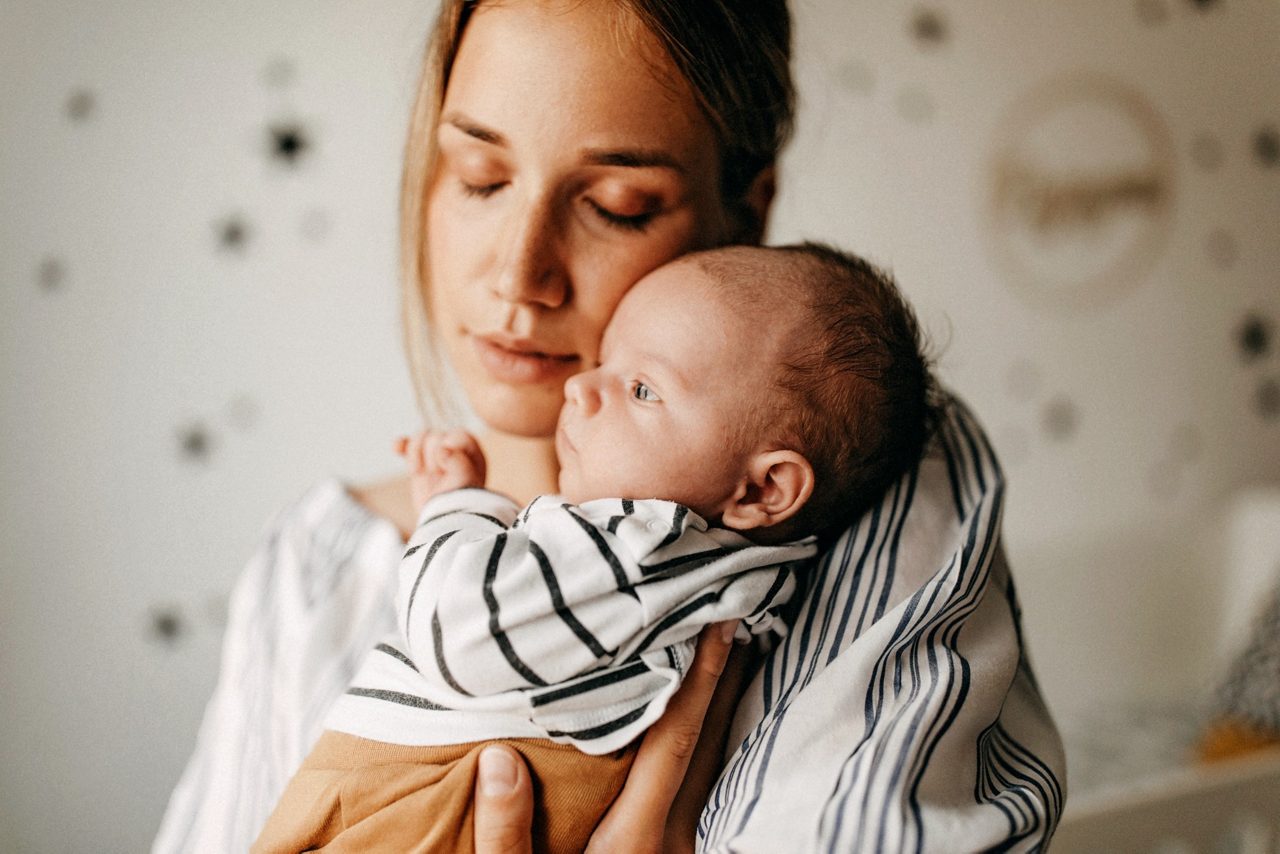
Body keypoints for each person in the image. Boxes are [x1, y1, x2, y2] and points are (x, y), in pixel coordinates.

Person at [153, 1, 1067, 851]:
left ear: (745, 215)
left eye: (614, 206)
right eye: (479, 178)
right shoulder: (315, 564)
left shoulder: (863, 493)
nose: (520, 276)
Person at [252, 243, 940, 852]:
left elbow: (453, 630)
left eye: (642, 389)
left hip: (420, 799)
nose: (582, 389)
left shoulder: (642, 543)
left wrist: (457, 506)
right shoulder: (747, 576)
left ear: (763, 491)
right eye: (608, 362)